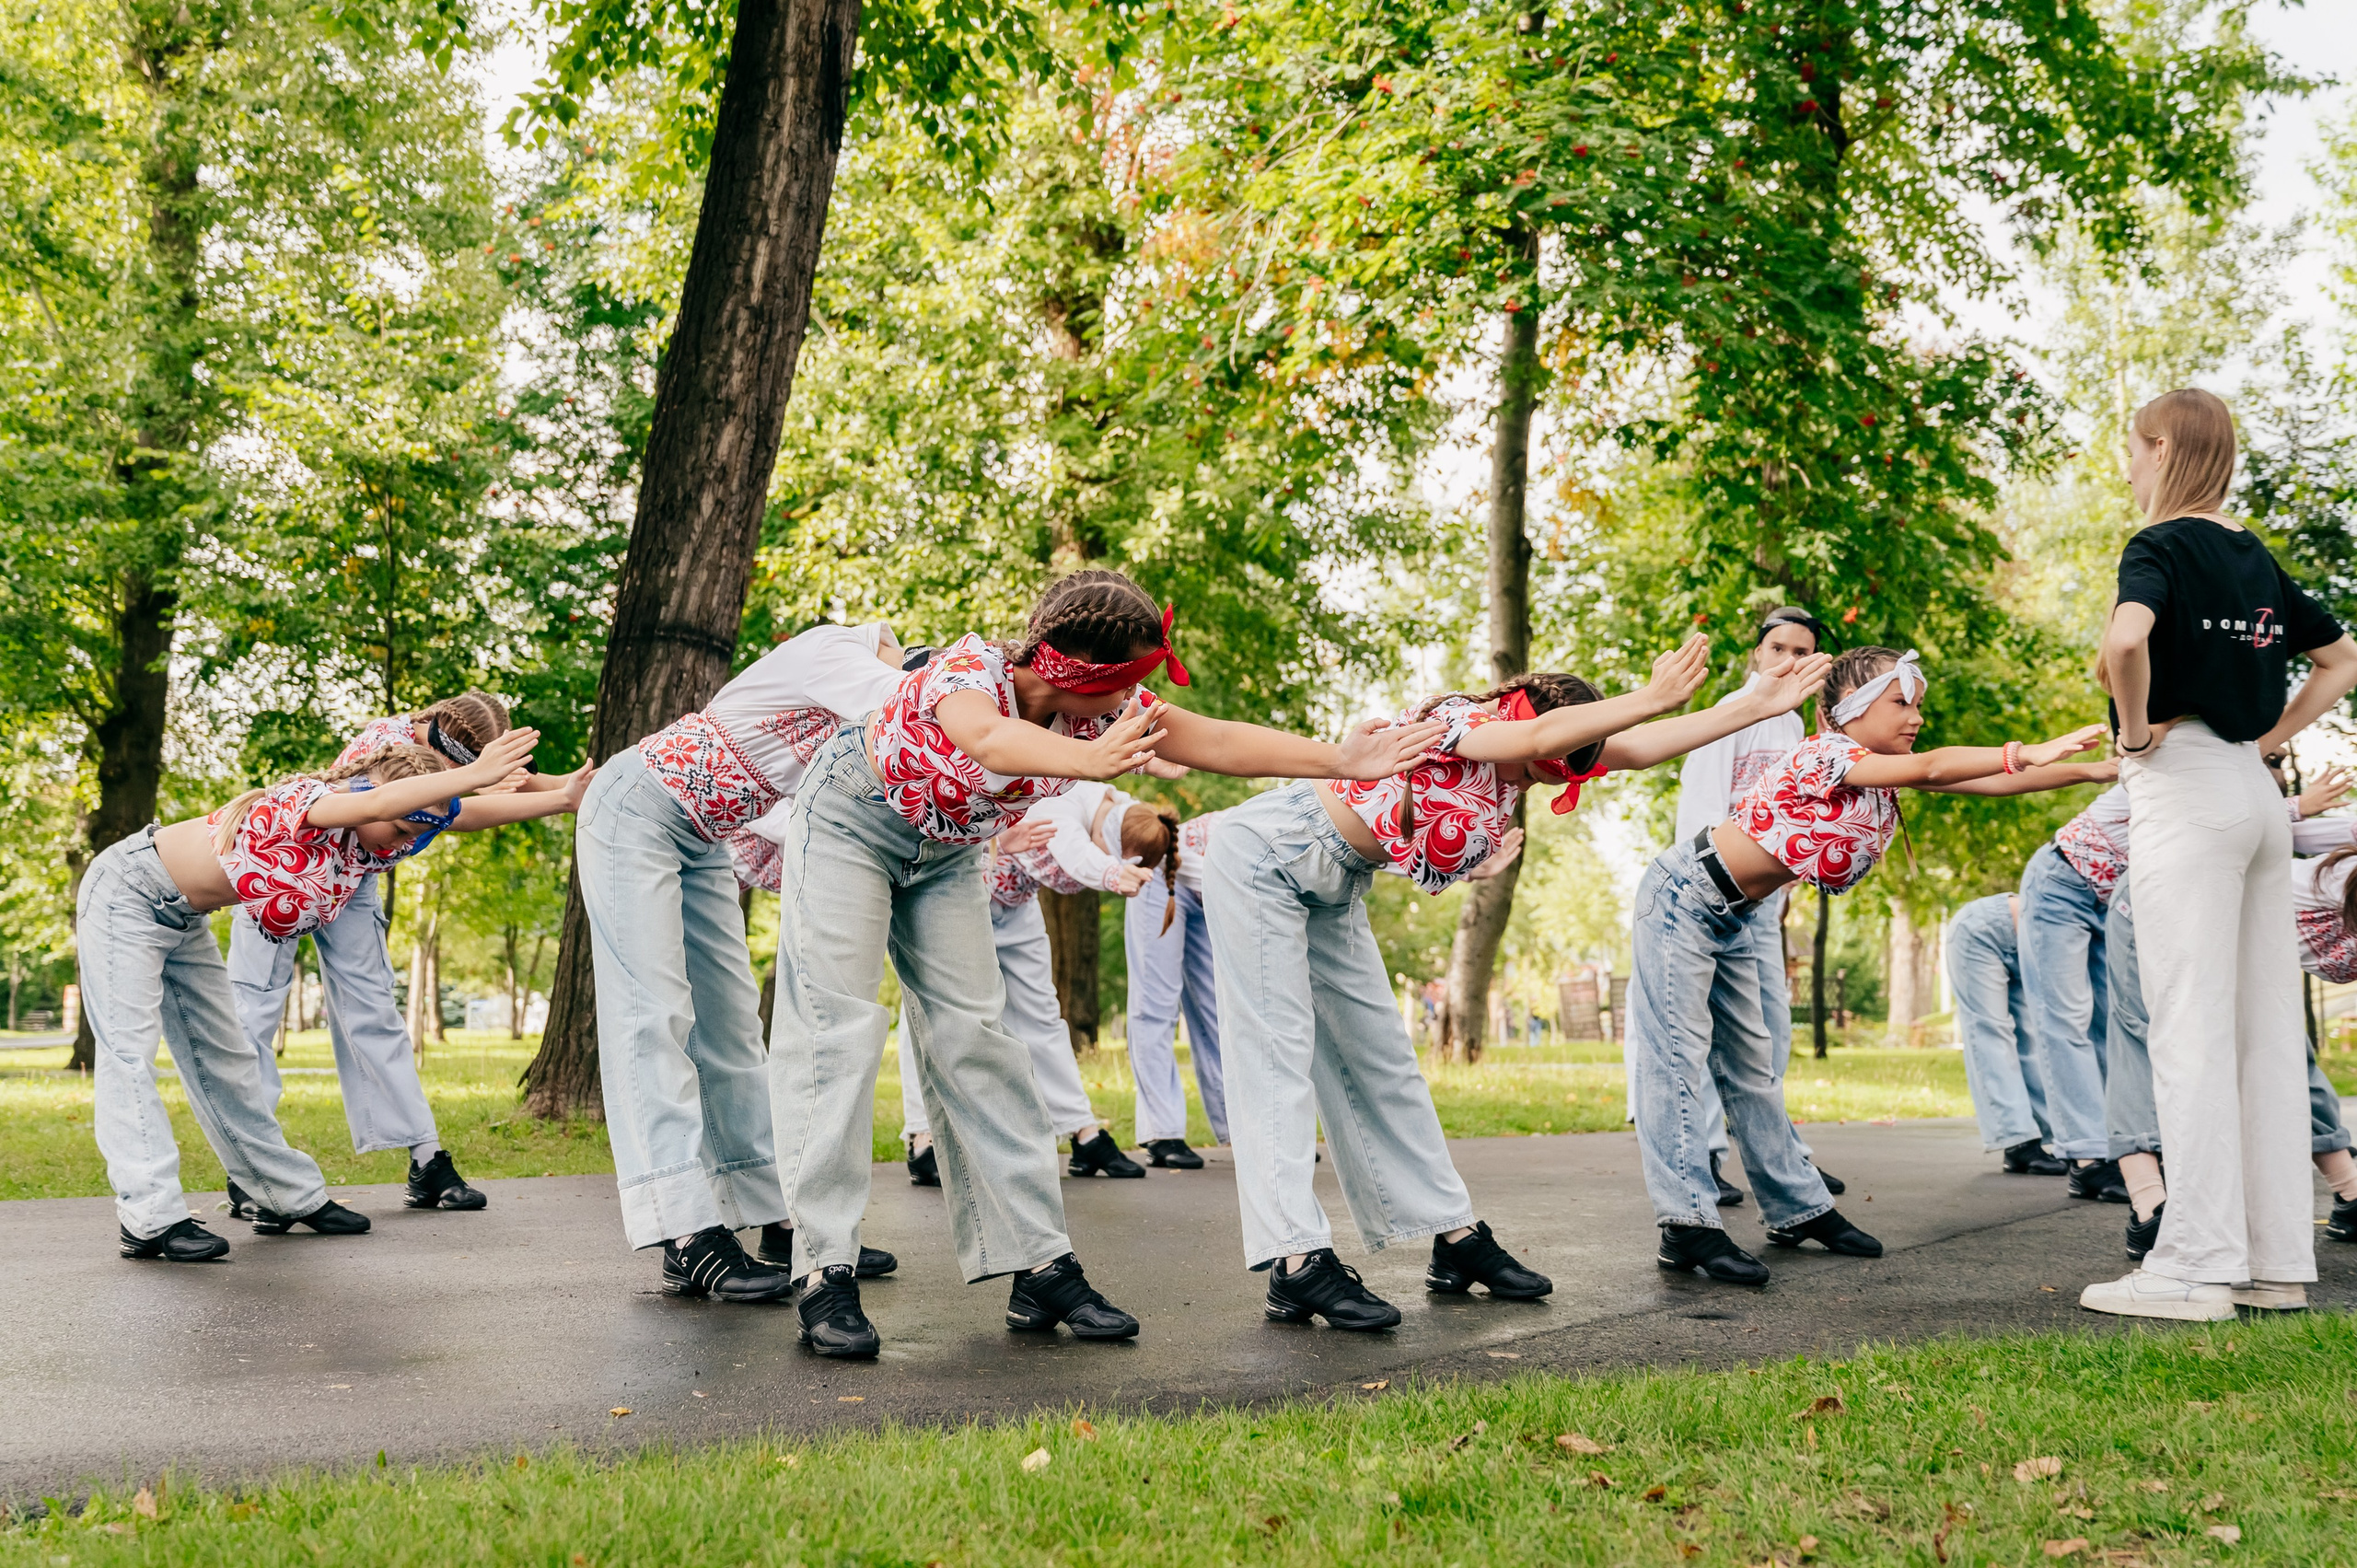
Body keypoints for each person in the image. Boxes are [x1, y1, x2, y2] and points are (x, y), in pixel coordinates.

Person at [768, 569, 1448, 1358]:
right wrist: (1090, 763)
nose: (1133, 707)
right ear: (1070, 672)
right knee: (836, 1029)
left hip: (946, 852)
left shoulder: (1103, 716)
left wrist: (1343, 760)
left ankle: (1036, 1265)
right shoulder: (967, 672)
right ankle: (823, 1271)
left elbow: (1217, 739)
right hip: (850, 815)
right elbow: (989, 739)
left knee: (981, 1040)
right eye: (1123, 686)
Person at [1206, 634, 1829, 1330]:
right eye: (1544, 770)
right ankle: (1295, 1262)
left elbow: (1646, 747)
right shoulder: (1468, 720)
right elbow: (1536, 733)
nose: (1541, 781)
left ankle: (1453, 1237)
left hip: (1333, 880)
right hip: (1267, 854)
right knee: (1277, 1056)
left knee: (1384, 1061)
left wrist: (1753, 704)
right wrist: (1650, 695)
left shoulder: (1528, 760)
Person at [1633, 645, 2109, 1286]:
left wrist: (2091, 772)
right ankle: (1686, 1226)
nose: (1915, 717)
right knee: (1677, 1060)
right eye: (1901, 702)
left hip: (1738, 914)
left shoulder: (1880, 772)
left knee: (1754, 1066)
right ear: (1853, 707)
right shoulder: (1826, 752)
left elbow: (1986, 779)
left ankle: (1796, 1207)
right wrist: (2026, 746)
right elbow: (1945, 766)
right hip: (1683, 898)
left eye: (1919, 705)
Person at [86, 728, 580, 1261]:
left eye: (414, 835)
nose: (402, 844)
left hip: (183, 917)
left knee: (226, 1061)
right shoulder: (315, 802)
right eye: (398, 829)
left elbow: (451, 815)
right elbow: (383, 801)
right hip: (128, 894)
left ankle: (284, 1196)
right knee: (128, 1055)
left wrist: (561, 799)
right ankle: (150, 1218)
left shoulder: (368, 843)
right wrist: (474, 773)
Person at [2081, 388, 2357, 1321]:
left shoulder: (2158, 545)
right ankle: (2275, 1263)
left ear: (2160, 447)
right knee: (2265, 1034)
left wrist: (2131, 731)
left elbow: (2125, 638)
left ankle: (2192, 1265)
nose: (2127, 467)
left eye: (2131, 449)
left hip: (2186, 786)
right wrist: (2270, 737)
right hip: (2252, 791)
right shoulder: (2251, 554)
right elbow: (2342, 656)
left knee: (2187, 1026)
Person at [579, 621, 911, 1307]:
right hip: (636, 807)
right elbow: (904, 702)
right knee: (654, 1013)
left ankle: (776, 1217)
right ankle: (683, 1232)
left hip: (703, 837)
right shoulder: (836, 650)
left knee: (730, 1025)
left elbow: (809, 812)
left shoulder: (843, 701)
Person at [222, 694, 581, 1221]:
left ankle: (425, 1158)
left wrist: (565, 789)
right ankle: (251, 1171)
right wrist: (536, 793)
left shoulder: (442, 752)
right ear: (433, 738)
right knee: (253, 1015)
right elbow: (452, 808)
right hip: (286, 869)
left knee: (375, 1012)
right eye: (459, 769)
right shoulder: (382, 750)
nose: (456, 782)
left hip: (354, 877)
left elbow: (482, 794)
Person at [2099, 754, 2357, 1264]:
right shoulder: (2343, 874)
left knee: (2281, 1045)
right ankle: (2152, 1205)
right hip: (2158, 897)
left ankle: (2349, 1190)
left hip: (2235, 913)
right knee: (2140, 1037)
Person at [895, 782, 1178, 1181]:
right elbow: (1072, 850)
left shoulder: (1127, 811)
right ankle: (923, 1138)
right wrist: (1111, 872)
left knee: (1043, 1012)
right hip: (958, 892)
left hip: (1016, 904)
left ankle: (1084, 1133)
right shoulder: (1070, 802)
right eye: (1102, 848)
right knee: (930, 1007)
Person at [1665, 606, 1840, 1206]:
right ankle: (1706, 1157)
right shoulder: (1731, 715)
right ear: (1756, 656)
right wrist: (1714, 884)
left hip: (1763, 899)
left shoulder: (1793, 730)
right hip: (1711, 891)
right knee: (1705, 1029)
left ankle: (1783, 1155)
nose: (1790, 660)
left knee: (1770, 1030)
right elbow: (1705, 806)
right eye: (1779, 649)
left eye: (1803, 652)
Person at [1123, 804, 1237, 1164]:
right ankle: (1162, 1133)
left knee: (1219, 1009)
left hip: (1210, 894)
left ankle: (1239, 1128)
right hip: (1161, 875)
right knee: (1155, 1005)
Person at [1946, 893, 2066, 1174]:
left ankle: (2033, 1139)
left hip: (2027, 942)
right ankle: (2019, 1143)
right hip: (1982, 931)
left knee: (2031, 1037)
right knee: (1991, 1033)